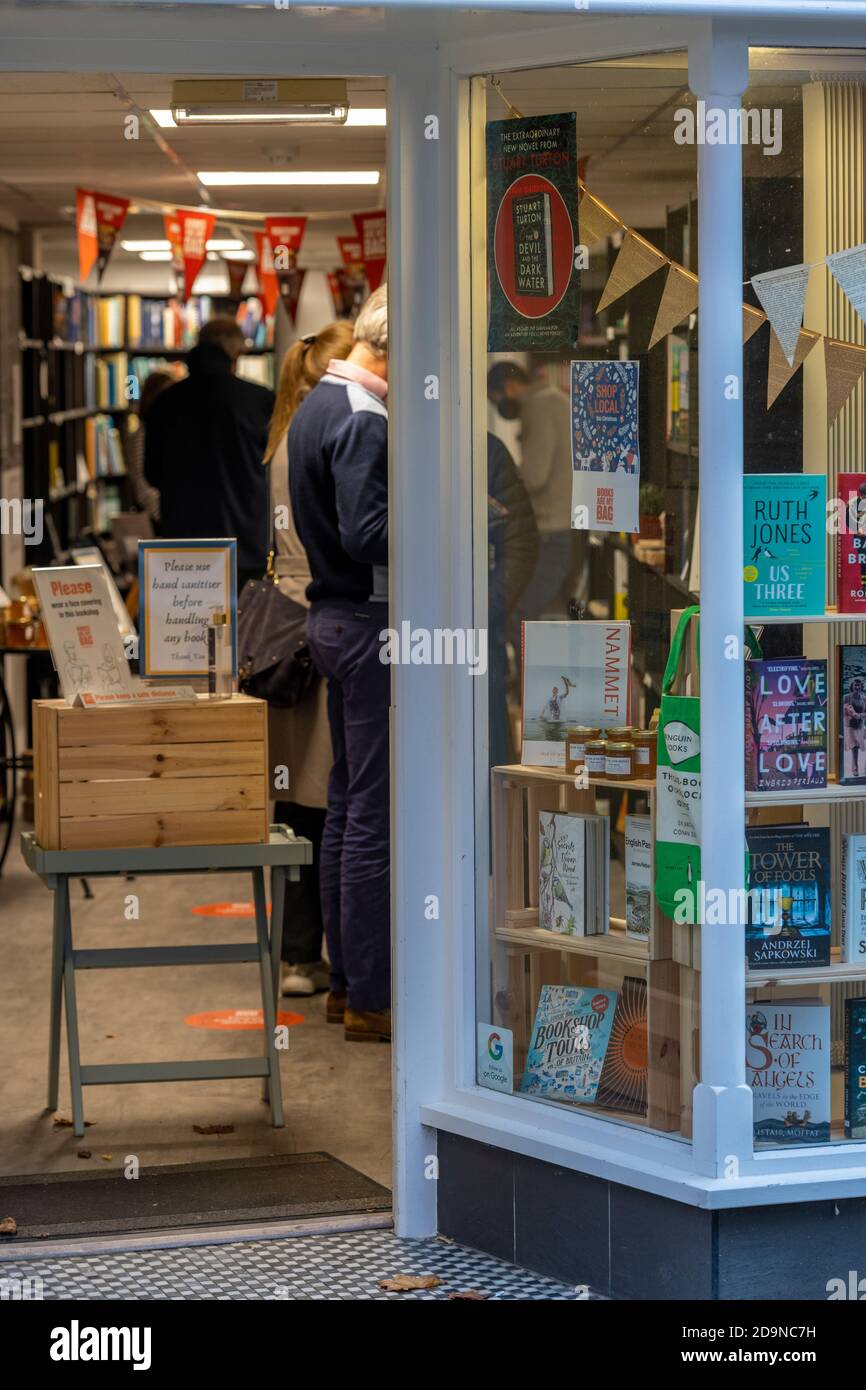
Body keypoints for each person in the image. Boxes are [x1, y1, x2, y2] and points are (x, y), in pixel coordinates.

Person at [288, 286, 390, 1043]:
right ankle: (370, 999)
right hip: (364, 618)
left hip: (327, 619)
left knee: (345, 799)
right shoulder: (362, 416)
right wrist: (450, 522)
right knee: (373, 812)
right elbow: (366, 533)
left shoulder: (316, 403)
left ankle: (343, 983)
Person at [263, 320, 355, 996]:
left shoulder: (281, 442)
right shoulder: (329, 439)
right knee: (326, 801)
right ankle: (320, 952)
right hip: (320, 622)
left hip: (284, 628)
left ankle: (298, 952)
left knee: (296, 799)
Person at [144, 316, 274, 591]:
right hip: (247, 544)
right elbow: (274, 470)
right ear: (234, 353)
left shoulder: (166, 402)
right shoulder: (259, 400)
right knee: (247, 630)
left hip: (185, 546)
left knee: (189, 628)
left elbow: (152, 474)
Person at [488, 359, 584, 624]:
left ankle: (521, 667)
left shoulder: (539, 406)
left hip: (550, 527)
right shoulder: (553, 399)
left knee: (519, 613)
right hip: (563, 521)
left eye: (495, 399)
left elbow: (535, 476)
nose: (499, 408)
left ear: (508, 386)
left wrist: (506, 481)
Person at [125, 369, 174, 528]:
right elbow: (143, 487)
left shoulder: (169, 430)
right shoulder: (143, 434)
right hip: (157, 521)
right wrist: (168, 514)